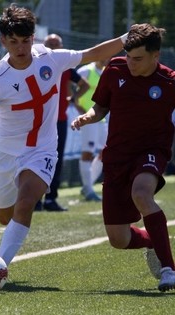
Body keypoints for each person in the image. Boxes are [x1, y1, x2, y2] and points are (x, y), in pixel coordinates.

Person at [0, 4, 126, 266]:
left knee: (27, 202)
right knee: (4, 217)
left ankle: (0, 265)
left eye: (26, 40)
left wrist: (124, 39)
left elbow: (91, 53)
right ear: (3, 40)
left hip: (42, 150)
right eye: (14, 41)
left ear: (33, 38)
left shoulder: (50, 58)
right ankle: (6, 242)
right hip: (5, 152)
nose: (20, 48)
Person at [71, 23, 175, 292]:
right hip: (117, 156)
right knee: (118, 238)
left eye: (138, 58)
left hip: (151, 151)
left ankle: (168, 269)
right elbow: (101, 107)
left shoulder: (169, 81)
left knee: (142, 193)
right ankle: (153, 240)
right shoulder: (115, 69)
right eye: (128, 56)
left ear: (156, 56)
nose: (130, 63)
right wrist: (88, 116)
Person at [39, 33, 89, 211]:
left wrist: (72, 98)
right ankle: (35, 200)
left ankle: (51, 199)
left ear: (61, 46)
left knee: (56, 160)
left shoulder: (65, 67)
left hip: (59, 120)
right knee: (35, 159)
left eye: (55, 44)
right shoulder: (35, 63)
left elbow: (84, 85)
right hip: (38, 121)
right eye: (49, 44)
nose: (52, 47)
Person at [77, 59, 109, 201]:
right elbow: (70, 86)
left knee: (105, 152)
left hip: (101, 119)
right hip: (87, 119)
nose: (106, 58)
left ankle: (87, 186)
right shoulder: (85, 70)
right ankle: (89, 190)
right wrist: (75, 104)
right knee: (87, 153)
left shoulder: (105, 72)